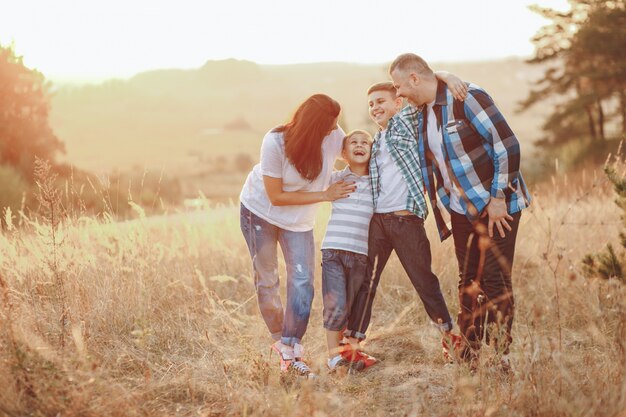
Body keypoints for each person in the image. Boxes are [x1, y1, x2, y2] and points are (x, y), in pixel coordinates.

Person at [389, 53, 531, 371]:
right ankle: (469, 353)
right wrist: (442, 73)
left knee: (493, 280)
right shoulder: (420, 113)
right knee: (467, 280)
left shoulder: (467, 97)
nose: (398, 94)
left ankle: (501, 355)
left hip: (496, 204)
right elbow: (396, 114)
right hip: (461, 209)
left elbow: (507, 145)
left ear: (414, 79)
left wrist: (497, 198)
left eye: (399, 86)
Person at [343, 75, 467, 361]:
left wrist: (443, 75)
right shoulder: (378, 140)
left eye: (381, 101)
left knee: (423, 280)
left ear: (398, 103)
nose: (375, 108)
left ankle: (450, 337)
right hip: (378, 222)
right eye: (371, 104)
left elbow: (419, 86)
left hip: (405, 220)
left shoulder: (405, 123)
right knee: (366, 281)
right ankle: (352, 345)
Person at [239, 94, 355, 378]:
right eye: (329, 125)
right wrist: (325, 195)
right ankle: (283, 347)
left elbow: (355, 151)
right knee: (267, 280)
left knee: (302, 281)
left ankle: (292, 346)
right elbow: (276, 196)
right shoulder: (275, 141)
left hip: (299, 221)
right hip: (260, 213)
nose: (335, 130)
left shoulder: (332, 133)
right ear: (313, 125)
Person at [319, 129, 376, 373]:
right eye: (353, 142)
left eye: (366, 142)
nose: (360, 145)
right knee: (337, 305)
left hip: (360, 254)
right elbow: (313, 180)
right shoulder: (336, 178)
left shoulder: (377, 182)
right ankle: (333, 359)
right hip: (333, 250)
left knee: (351, 308)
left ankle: (346, 352)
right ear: (344, 153)